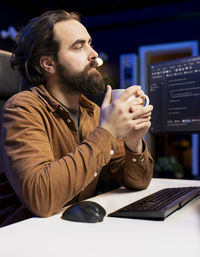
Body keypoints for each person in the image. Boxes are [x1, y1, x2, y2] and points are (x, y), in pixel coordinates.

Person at [0, 10, 154, 227]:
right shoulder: (22, 108)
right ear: (48, 64)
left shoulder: (92, 111)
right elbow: (41, 198)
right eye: (78, 46)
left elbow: (138, 181)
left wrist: (133, 142)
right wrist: (108, 132)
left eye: (90, 43)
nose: (94, 55)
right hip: (26, 239)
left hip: (73, 232)